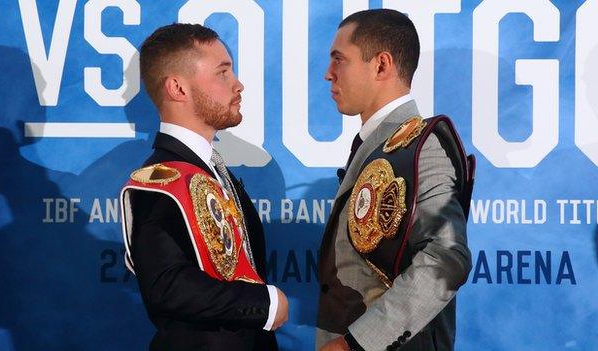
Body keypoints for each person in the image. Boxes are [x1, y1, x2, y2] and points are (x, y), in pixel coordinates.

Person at [120, 23, 287, 351]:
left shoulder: (212, 170)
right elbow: (165, 287)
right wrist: (263, 304)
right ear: (178, 89)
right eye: (222, 73)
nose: (238, 84)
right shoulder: (158, 181)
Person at [316, 9, 475, 351]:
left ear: (381, 65)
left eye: (339, 60)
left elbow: (447, 257)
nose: (328, 74)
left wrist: (357, 343)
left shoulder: (422, 147)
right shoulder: (378, 145)